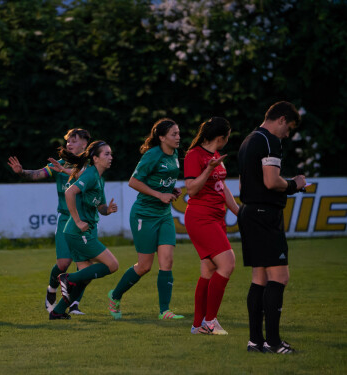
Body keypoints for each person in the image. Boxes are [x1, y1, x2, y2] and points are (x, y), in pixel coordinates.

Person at [238, 101, 306, 354]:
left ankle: (255, 341)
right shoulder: (269, 140)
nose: (287, 134)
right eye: (288, 127)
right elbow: (271, 181)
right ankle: (274, 342)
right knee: (280, 277)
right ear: (280, 119)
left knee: (260, 279)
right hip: (265, 215)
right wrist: (294, 184)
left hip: (250, 212)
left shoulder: (248, 139)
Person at [7, 128, 90, 315]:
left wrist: (64, 170)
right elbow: (38, 174)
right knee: (63, 264)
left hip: (85, 220)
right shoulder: (58, 164)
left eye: (74, 141)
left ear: (85, 143)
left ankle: (75, 304)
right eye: (68, 141)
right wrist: (22, 172)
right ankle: (51, 290)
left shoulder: (91, 163)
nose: (69, 144)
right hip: (65, 218)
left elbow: (85, 176)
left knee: (84, 265)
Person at [108, 118, 184, 320]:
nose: (178, 137)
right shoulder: (152, 155)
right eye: (174, 134)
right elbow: (134, 181)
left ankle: (164, 311)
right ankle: (115, 296)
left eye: (178, 133)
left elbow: (163, 179)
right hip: (144, 214)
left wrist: (170, 189)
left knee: (167, 260)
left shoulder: (175, 153)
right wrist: (160, 195)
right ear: (162, 137)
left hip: (164, 214)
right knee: (144, 266)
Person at [49, 140, 119, 319]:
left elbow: (101, 207)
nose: (111, 157)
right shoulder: (89, 174)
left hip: (80, 232)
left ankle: (57, 312)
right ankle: (67, 278)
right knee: (112, 265)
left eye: (110, 153)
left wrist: (107, 210)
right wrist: (78, 220)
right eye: (106, 154)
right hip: (77, 232)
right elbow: (69, 193)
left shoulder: (98, 177)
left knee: (86, 275)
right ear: (95, 158)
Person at [184, 117, 239, 335]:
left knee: (209, 269)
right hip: (200, 217)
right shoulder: (194, 155)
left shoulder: (216, 155)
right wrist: (208, 169)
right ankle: (210, 322)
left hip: (217, 217)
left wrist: (239, 213)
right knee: (228, 263)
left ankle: (198, 326)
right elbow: (191, 189)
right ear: (221, 137)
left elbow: (221, 186)